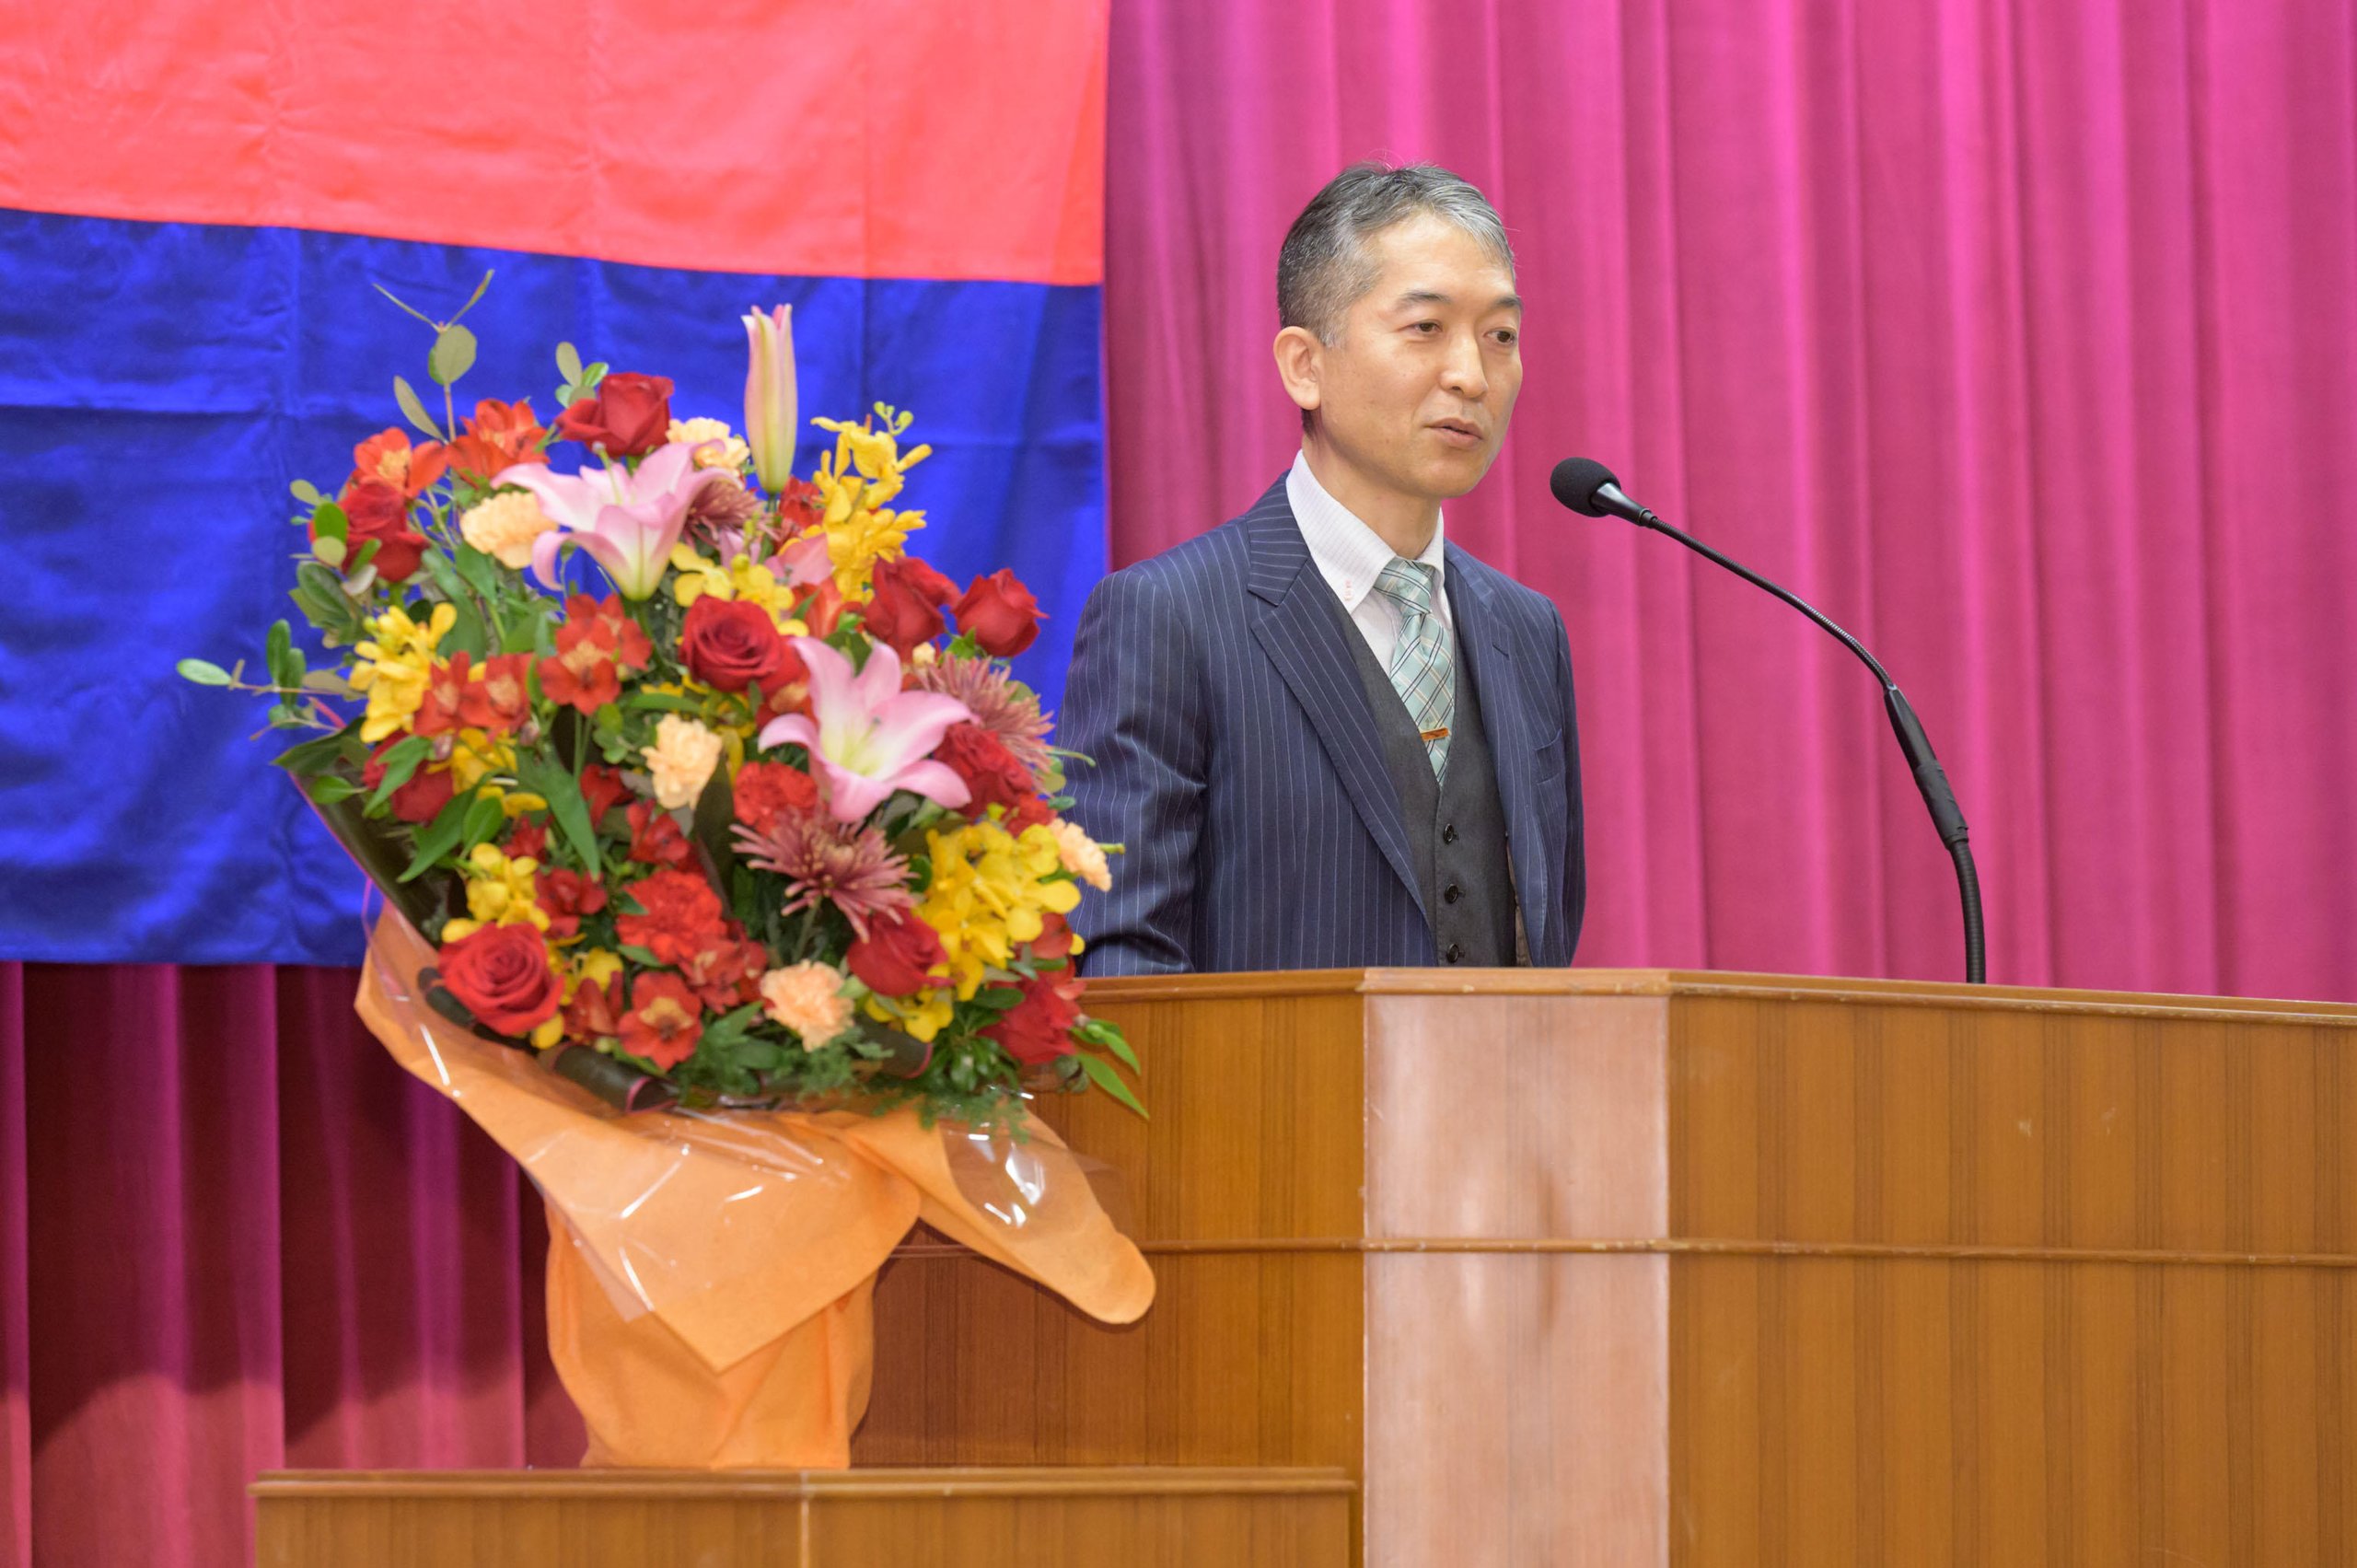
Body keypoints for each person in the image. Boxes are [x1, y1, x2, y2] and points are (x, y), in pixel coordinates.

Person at [1062, 161, 1585, 974]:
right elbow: (1120, 963)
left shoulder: (1527, 630)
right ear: (1304, 365)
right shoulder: (1168, 616)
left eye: (1501, 336)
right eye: (1426, 327)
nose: (1472, 376)